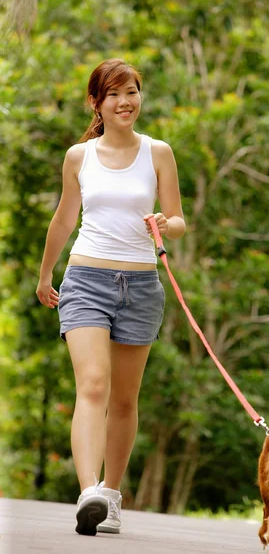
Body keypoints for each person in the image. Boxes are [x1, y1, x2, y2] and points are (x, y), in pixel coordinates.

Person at [36, 58, 186, 536]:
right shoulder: (79, 157)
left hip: (141, 286)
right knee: (94, 385)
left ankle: (112, 494)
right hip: (86, 281)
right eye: (115, 94)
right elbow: (64, 219)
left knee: (124, 400)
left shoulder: (158, 153)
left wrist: (167, 225)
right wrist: (45, 274)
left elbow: (178, 218)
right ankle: (88, 493)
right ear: (97, 103)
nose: (126, 102)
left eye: (132, 92)